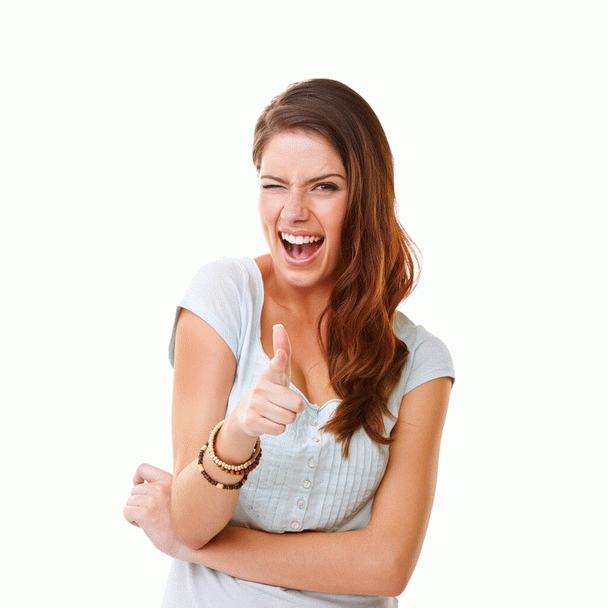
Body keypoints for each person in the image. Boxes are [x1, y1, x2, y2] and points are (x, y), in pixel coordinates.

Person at [123, 78, 455, 607]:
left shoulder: (420, 362)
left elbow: (388, 565)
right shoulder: (224, 296)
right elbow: (192, 518)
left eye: (324, 187)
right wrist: (237, 432)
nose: (293, 211)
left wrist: (190, 547)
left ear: (366, 198)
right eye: (274, 185)